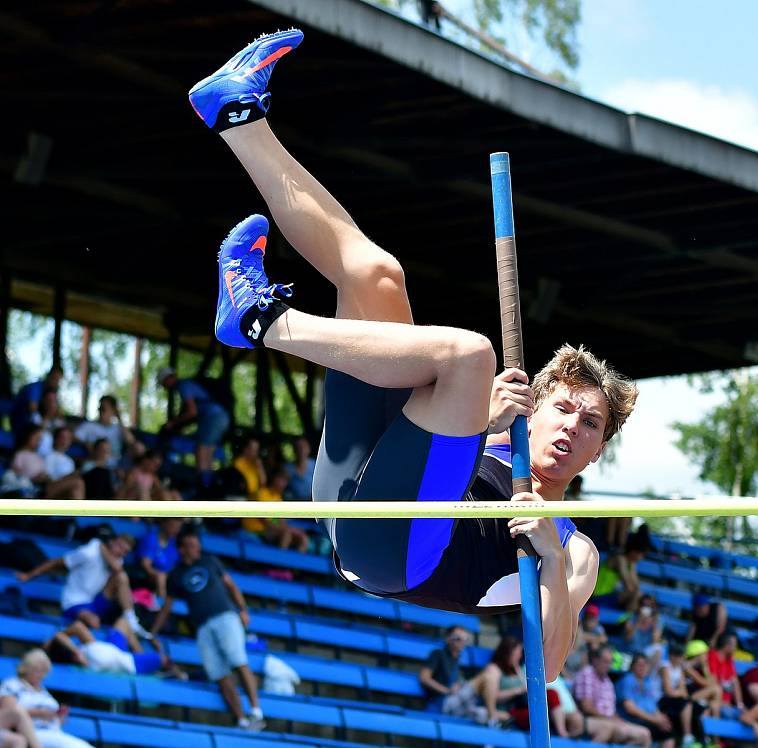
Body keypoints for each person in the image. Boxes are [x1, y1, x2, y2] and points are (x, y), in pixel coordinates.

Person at [191, 29, 637, 681]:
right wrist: (483, 422)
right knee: (377, 276)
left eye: (591, 423)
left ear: (599, 450)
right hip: (354, 488)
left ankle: (264, 322)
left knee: (467, 356)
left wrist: (544, 555)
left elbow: (545, 670)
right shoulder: (486, 431)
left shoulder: (578, 548)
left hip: (393, 555)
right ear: (533, 411)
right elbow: (457, 433)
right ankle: (237, 116)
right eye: (564, 409)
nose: (572, 425)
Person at [149, 530, 264, 731]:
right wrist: (153, 632)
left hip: (225, 616)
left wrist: (243, 609)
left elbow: (231, 586)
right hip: (201, 626)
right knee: (218, 673)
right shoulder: (175, 574)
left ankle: (256, 711)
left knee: (238, 660)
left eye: (197, 544)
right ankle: (241, 720)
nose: (197, 548)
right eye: (191, 545)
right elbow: (167, 606)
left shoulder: (210, 561)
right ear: (181, 549)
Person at [16, 533, 149, 638]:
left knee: (122, 577)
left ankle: (131, 618)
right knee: (94, 622)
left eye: (125, 551)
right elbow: (56, 562)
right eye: (120, 547)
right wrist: (28, 575)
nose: (121, 552)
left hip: (94, 601)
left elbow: (117, 569)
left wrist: (102, 547)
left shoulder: (116, 559)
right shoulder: (89, 552)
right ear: (112, 541)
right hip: (74, 602)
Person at [0, 649, 94, 748]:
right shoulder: (13, 685)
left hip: (53, 732)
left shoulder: (44, 692)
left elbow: (55, 720)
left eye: (44, 671)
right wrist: (40, 713)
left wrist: (58, 716)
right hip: (33, 731)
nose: (41, 675)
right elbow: (10, 711)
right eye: (38, 670)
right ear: (26, 668)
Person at [43, 619, 184, 680]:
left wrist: (72, 649)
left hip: (111, 647)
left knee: (123, 622)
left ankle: (141, 654)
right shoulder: (86, 662)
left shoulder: (82, 650)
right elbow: (62, 636)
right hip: (128, 661)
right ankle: (182, 676)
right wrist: (76, 654)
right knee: (164, 659)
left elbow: (74, 628)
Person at [234, 439, 309, 552]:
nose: (282, 484)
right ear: (274, 479)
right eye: (280, 479)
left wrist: (293, 530)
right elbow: (267, 522)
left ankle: (295, 568)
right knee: (286, 534)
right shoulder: (261, 494)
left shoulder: (277, 499)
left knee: (302, 538)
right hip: (257, 530)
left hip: (269, 531)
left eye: (285, 481)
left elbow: (278, 520)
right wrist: (290, 530)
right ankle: (279, 565)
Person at [157, 369, 230, 478]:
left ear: (169, 378)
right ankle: (208, 481)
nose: (165, 387)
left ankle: (202, 484)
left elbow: (192, 412)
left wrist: (173, 423)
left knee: (201, 450)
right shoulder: (188, 384)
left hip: (213, 418)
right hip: (222, 416)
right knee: (209, 452)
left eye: (163, 383)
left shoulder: (183, 386)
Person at [574, 645, 651, 746]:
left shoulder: (607, 681)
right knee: (620, 731)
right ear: (595, 660)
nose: (608, 665)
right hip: (593, 719)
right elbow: (586, 707)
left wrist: (617, 719)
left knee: (645, 734)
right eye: (605, 661)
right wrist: (609, 719)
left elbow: (611, 710)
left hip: (610, 720)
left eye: (610, 662)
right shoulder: (587, 674)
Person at [8, 425, 84, 500]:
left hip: (46, 485)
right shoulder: (45, 455)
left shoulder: (37, 456)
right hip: (39, 488)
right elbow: (15, 475)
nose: (38, 442)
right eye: (37, 438)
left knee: (76, 487)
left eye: (40, 439)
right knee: (78, 483)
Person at [617, 653, 675, 748]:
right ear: (632, 667)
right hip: (631, 719)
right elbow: (630, 709)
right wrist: (654, 720)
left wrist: (661, 719)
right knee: (661, 731)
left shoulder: (647, 682)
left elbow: (653, 707)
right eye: (640, 665)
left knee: (668, 729)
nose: (643, 667)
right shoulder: (628, 680)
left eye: (645, 665)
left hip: (647, 720)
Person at [593, 525, 653, 611]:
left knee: (639, 596)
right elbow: (629, 587)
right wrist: (641, 597)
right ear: (634, 551)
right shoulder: (619, 559)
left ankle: (631, 617)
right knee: (635, 595)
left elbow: (636, 585)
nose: (641, 558)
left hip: (608, 595)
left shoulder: (630, 563)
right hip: (597, 596)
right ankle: (628, 618)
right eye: (642, 554)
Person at [658, 643, 707, 748]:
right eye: (677, 655)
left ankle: (701, 740)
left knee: (699, 708)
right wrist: (679, 692)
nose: (680, 658)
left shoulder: (679, 668)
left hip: (674, 699)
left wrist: (679, 692)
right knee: (686, 703)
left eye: (681, 656)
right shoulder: (665, 667)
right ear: (671, 655)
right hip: (662, 699)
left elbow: (683, 690)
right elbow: (668, 691)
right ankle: (687, 737)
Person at [547, 669, 614, 742]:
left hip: (577, 715)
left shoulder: (559, 678)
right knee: (606, 728)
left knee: (609, 729)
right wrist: (562, 730)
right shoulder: (544, 680)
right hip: (570, 719)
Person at [74, 396, 136, 467]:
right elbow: (74, 436)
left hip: (115, 467)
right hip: (96, 465)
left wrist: (120, 419)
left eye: (103, 409)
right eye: (99, 408)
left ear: (113, 411)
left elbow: (131, 442)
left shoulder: (119, 429)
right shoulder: (89, 426)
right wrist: (86, 443)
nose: (100, 411)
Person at [130, 517, 184, 599]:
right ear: (164, 523)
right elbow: (145, 565)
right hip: (146, 579)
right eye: (173, 526)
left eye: (178, 527)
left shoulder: (173, 544)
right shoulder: (151, 538)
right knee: (161, 577)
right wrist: (159, 576)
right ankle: (160, 603)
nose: (176, 530)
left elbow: (173, 568)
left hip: (167, 581)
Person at [418, 626, 469, 713]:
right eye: (458, 638)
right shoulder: (438, 654)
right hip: (439, 702)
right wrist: (447, 691)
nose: (462, 641)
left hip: (453, 702)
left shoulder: (458, 660)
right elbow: (424, 678)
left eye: (465, 638)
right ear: (448, 639)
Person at [10, 366, 62, 438]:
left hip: (33, 425)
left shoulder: (50, 392)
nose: (55, 382)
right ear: (48, 376)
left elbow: (56, 412)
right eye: (54, 378)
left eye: (58, 380)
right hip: (21, 423)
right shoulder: (35, 388)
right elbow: (32, 409)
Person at [116, 451, 181, 502]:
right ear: (146, 461)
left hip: (147, 499)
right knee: (143, 491)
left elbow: (160, 489)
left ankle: (182, 517)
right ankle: (149, 517)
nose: (156, 468)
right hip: (132, 500)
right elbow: (125, 490)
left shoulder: (152, 476)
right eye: (155, 465)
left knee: (173, 493)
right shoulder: (134, 473)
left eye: (158, 466)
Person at [683, 640, 723, 718]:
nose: (707, 657)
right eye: (705, 654)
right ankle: (717, 722)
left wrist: (705, 667)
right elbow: (705, 683)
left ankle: (715, 725)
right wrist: (705, 667)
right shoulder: (687, 667)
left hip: (696, 696)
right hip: (686, 698)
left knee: (711, 706)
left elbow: (713, 681)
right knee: (717, 690)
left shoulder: (698, 668)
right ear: (698, 655)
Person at [707, 632, 744, 715]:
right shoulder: (712, 655)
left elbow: (735, 682)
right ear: (727, 645)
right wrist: (724, 703)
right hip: (714, 700)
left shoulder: (729, 659)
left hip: (727, 704)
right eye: (735, 645)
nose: (736, 648)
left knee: (743, 713)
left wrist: (739, 704)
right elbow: (712, 682)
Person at [284, 436, 315, 500]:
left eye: (304, 447)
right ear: (294, 450)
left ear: (309, 449)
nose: (302, 450)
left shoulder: (315, 465)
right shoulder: (287, 468)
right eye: (298, 447)